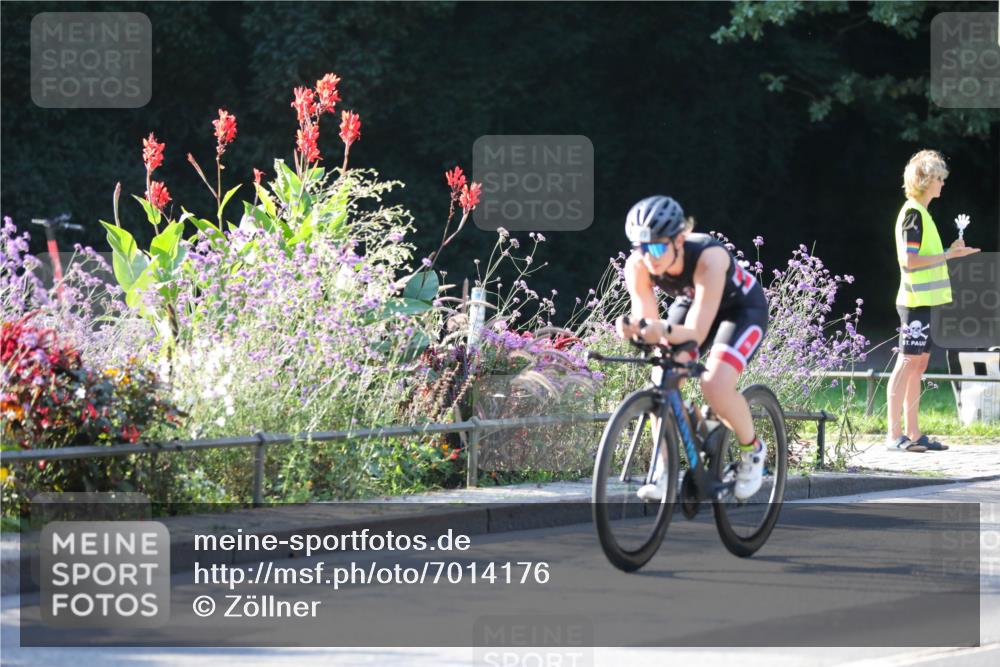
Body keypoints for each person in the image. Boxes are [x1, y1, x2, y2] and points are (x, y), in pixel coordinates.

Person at [616, 195, 769, 501]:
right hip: (693, 304)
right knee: (662, 381)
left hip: (741, 310)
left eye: (658, 246)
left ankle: (753, 451)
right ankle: (666, 469)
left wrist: (661, 330)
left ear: (679, 239)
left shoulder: (709, 257)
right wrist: (634, 329)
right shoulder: (639, 265)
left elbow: (697, 333)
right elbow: (649, 320)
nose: (650, 257)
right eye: (641, 248)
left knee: (715, 383)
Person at [887, 150, 980, 452]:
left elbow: (924, 259)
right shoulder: (913, 213)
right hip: (914, 302)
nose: (942, 183)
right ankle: (894, 435)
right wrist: (949, 254)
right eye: (939, 178)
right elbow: (909, 262)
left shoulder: (921, 213)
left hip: (925, 302)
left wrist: (949, 251)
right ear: (924, 181)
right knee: (906, 362)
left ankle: (914, 434)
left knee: (919, 364)